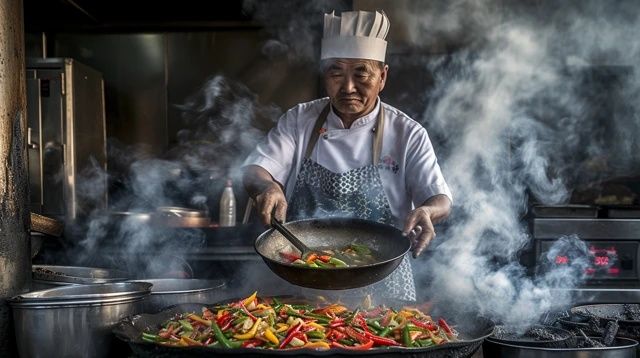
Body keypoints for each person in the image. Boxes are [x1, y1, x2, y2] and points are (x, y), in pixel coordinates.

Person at [242, 10, 452, 301]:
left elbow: (440, 199)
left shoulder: (408, 133)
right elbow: (255, 169)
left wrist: (428, 212)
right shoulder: (299, 120)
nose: (348, 87)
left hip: (384, 289)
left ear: (382, 76)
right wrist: (268, 186)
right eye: (336, 73)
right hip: (301, 280)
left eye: (361, 73)